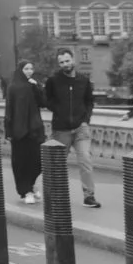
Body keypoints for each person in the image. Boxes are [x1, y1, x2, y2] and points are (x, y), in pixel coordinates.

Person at [42, 48, 99, 207]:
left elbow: (89, 102)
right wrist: (58, 110)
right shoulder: (53, 81)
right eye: (61, 62)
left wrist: (85, 120)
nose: (65, 64)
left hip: (81, 128)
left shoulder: (83, 80)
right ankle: (56, 195)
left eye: (67, 61)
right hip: (61, 129)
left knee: (85, 160)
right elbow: (46, 100)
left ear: (73, 60)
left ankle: (89, 196)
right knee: (58, 163)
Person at [2, 60, 45, 202]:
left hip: (35, 130)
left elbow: (43, 102)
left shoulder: (33, 86)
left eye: (31, 68)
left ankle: (32, 184)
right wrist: (8, 131)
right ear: (20, 70)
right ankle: (26, 191)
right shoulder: (13, 87)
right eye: (26, 69)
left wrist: (37, 86)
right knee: (21, 163)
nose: (29, 71)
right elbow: (9, 109)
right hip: (19, 131)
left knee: (38, 160)